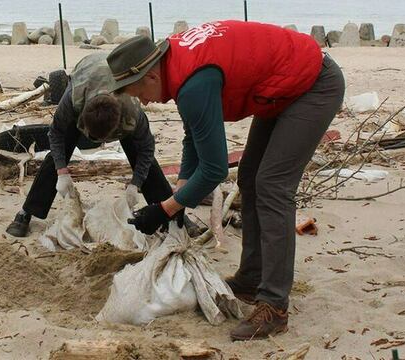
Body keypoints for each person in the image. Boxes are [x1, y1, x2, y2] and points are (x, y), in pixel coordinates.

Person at [106, 21, 345, 340]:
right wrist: (181, 191)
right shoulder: (175, 65)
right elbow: (194, 134)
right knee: (249, 179)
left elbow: (216, 169)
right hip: (281, 85)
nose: (145, 102)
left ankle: (274, 306)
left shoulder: (192, 82)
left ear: (151, 75)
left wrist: (165, 209)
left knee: (272, 185)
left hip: (313, 83)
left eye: (140, 94)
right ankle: (251, 278)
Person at [6, 53, 203, 238]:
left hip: (116, 101)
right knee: (57, 154)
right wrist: (61, 170)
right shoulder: (72, 101)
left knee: (145, 159)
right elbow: (55, 133)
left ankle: (174, 214)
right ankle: (26, 212)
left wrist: (136, 183)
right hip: (88, 75)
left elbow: (147, 149)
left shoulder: (132, 112)